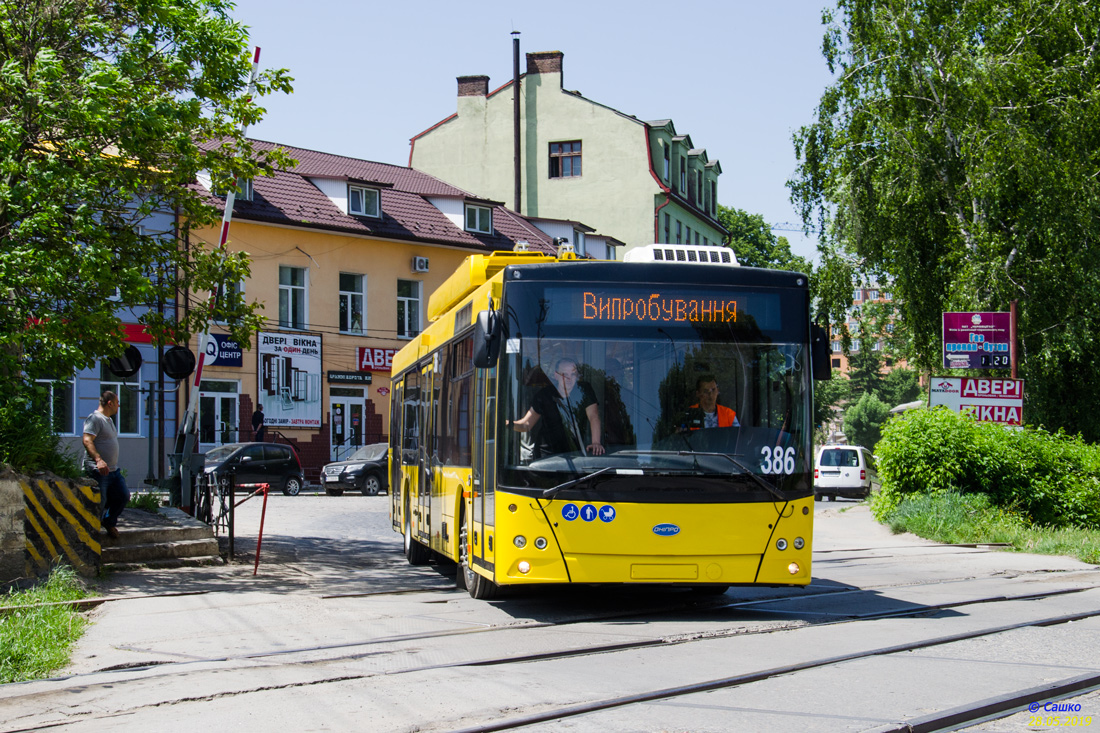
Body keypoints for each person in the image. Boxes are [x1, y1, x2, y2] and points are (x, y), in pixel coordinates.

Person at [508, 358, 605, 457]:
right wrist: (507, 424)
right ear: (556, 375)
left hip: (575, 451)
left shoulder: (584, 390)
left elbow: (593, 416)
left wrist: (596, 442)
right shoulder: (544, 395)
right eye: (564, 375)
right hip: (547, 456)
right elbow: (527, 424)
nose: (569, 379)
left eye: (573, 374)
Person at [82, 391, 130, 539]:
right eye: (117, 403)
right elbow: (87, 440)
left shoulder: (108, 420)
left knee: (123, 496)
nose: (119, 406)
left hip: (113, 470)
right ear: (110, 403)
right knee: (99, 502)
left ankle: (108, 521)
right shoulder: (95, 418)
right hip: (99, 470)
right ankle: (90, 535)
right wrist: (98, 460)